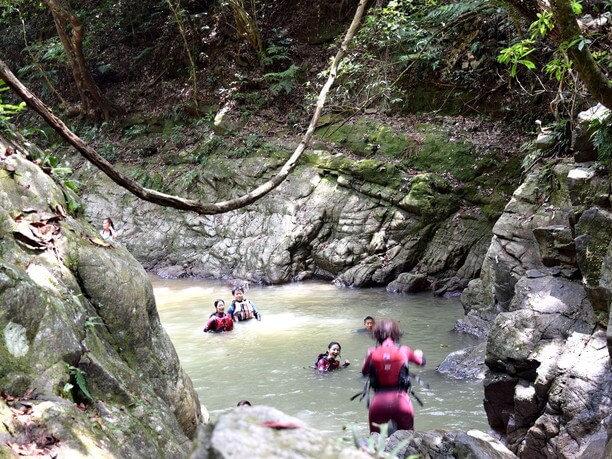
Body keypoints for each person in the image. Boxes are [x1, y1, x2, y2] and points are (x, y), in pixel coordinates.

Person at [361, 319, 426, 433]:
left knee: (376, 441)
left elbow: (364, 371)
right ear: (396, 334)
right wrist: (418, 354)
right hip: (401, 401)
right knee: (408, 441)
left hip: (379, 403)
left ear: (377, 335)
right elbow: (421, 362)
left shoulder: (371, 352)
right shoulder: (405, 350)